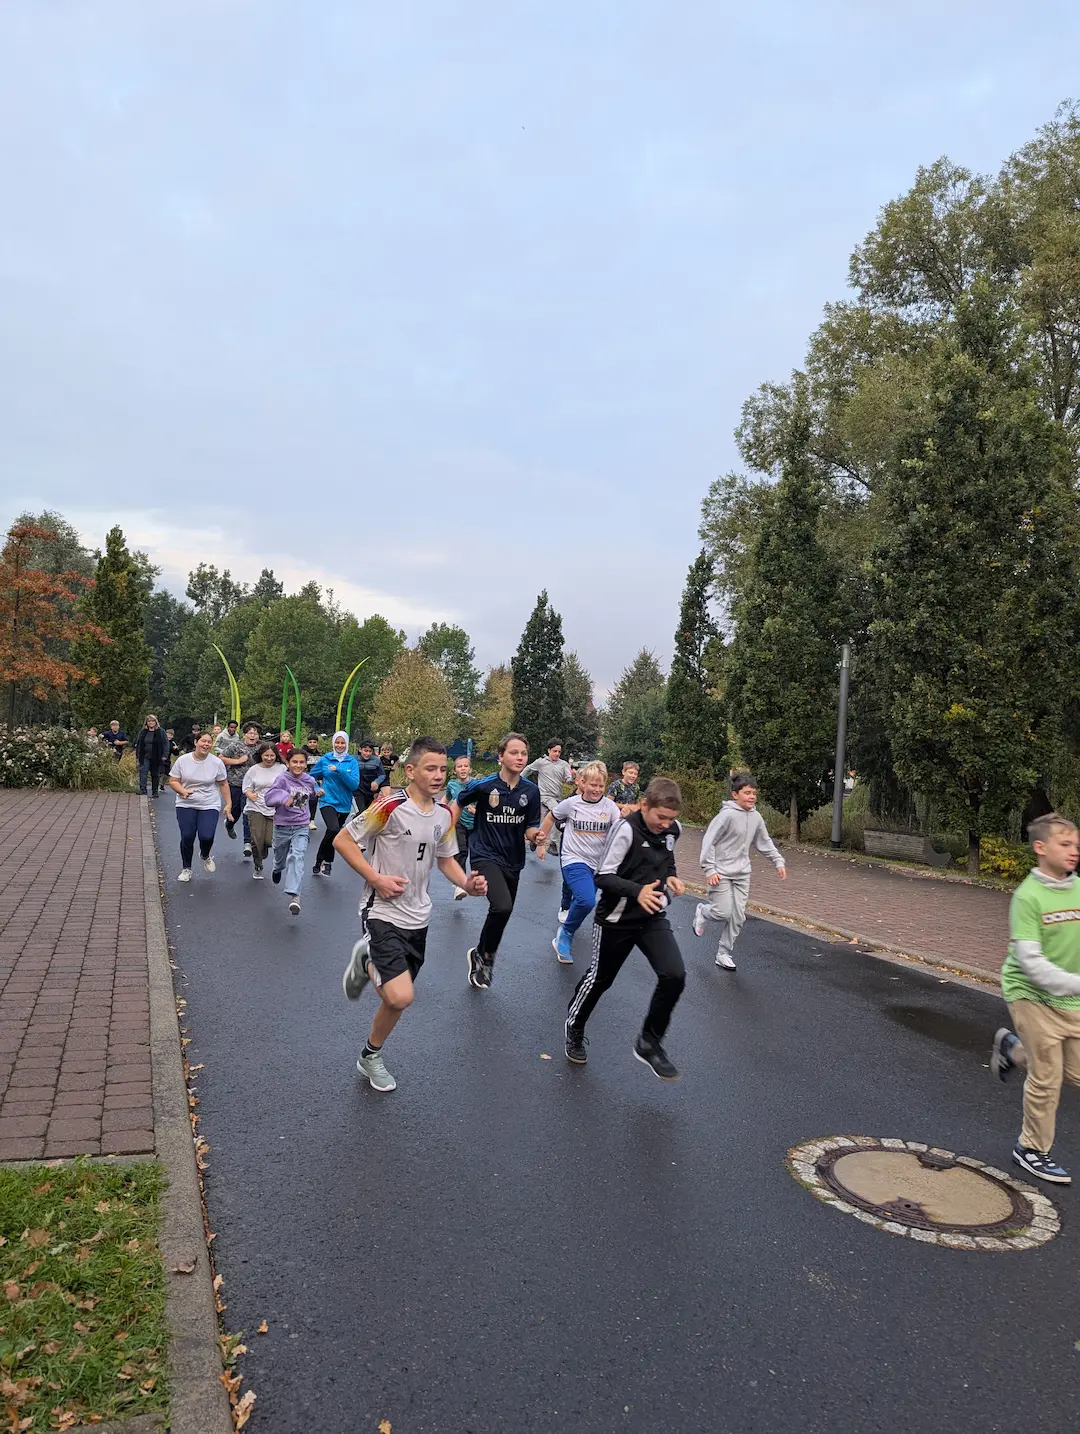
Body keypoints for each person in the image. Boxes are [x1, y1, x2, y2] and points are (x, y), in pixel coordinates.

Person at [336, 737, 488, 1092]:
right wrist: (376, 878)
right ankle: (367, 960)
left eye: (442, 770)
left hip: (419, 917)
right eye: (430, 769)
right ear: (410, 770)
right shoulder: (389, 805)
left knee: (395, 1001)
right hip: (381, 910)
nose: (438, 776)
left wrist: (467, 883)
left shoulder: (443, 814)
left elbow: (445, 859)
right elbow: (342, 841)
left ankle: (370, 1054)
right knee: (401, 995)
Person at [564, 777, 687, 1079]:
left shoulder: (673, 829)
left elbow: (667, 857)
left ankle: (649, 1042)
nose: (665, 824)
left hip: (651, 916)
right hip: (616, 919)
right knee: (600, 980)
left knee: (674, 974)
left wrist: (671, 876)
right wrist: (637, 891)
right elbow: (603, 877)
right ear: (644, 805)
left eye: (671, 819)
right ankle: (575, 1026)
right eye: (660, 817)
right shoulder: (626, 829)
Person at [990, 813, 1080, 1185]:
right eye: (1065, 844)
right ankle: (1030, 1148)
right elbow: (1031, 962)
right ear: (1040, 848)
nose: (1074, 851)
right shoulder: (1028, 897)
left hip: (1071, 999)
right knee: (1047, 1076)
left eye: (1076, 845)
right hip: (1031, 995)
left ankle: (1013, 1049)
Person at [449, 732, 544, 990]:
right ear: (501, 756)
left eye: (523, 753)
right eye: (514, 753)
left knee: (505, 910)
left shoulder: (531, 791)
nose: (520, 758)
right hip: (484, 854)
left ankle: (480, 953)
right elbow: (458, 802)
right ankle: (486, 960)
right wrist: (447, 832)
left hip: (513, 859)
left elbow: (530, 827)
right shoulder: (484, 786)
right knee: (501, 906)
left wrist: (536, 835)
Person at [692, 772, 787, 970]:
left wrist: (778, 860)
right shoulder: (725, 816)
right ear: (735, 795)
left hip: (742, 873)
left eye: (754, 793)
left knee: (738, 916)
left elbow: (764, 841)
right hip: (720, 872)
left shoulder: (756, 817)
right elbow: (709, 841)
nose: (752, 797)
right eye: (747, 793)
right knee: (722, 912)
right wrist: (709, 869)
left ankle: (723, 953)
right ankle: (703, 911)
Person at [537, 760, 621, 963]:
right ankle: (565, 934)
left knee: (585, 900)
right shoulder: (572, 804)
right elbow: (551, 817)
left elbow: (620, 833)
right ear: (583, 783)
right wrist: (542, 842)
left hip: (598, 864)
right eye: (593, 785)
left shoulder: (610, 807)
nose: (597, 790)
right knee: (586, 900)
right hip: (573, 859)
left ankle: (568, 921)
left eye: (601, 786)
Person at [167, 733, 231, 882]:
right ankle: (186, 869)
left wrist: (228, 804)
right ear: (196, 742)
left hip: (209, 803)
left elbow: (223, 783)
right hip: (186, 803)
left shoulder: (216, 762)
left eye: (209, 742)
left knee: (206, 836)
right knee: (187, 836)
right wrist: (183, 791)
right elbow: (174, 780)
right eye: (203, 741)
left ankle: (205, 855)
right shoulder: (183, 760)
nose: (206, 744)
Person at [264, 748, 317, 916]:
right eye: (294, 762)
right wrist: (284, 798)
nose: (298, 765)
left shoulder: (309, 780)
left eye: (302, 762)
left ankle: (295, 896)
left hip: (301, 825)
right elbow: (268, 798)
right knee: (281, 859)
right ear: (288, 763)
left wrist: (318, 792)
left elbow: (312, 795)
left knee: (297, 856)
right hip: (282, 826)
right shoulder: (282, 779)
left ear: (306, 764)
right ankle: (277, 868)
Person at [310, 731, 360, 877]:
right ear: (333, 743)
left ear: (347, 744)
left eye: (342, 743)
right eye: (337, 742)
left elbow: (354, 785)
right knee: (333, 829)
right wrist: (317, 788)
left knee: (333, 833)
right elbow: (310, 776)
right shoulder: (326, 759)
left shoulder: (352, 762)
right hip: (327, 800)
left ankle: (321, 862)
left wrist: (340, 771)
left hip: (344, 803)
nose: (339, 745)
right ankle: (325, 861)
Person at [523, 739, 574, 855]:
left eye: (559, 752)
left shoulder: (563, 764)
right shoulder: (541, 762)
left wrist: (573, 778)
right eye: (554, 751)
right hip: (544, 796)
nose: (557, 754)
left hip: (557, 797)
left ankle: (535, 837)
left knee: (547, 822)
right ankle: (553, 843)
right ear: (549, 750)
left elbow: (569, 780)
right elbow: (528, 769)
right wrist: (519, 780)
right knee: (559, 815)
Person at [241, 742, 284, 879]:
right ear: (261, 755)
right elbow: (246, 787)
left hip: (274, 808)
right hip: (256, 806)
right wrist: (250, 795)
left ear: (276, 756)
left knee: (269, 841)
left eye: (272, 756)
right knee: (256, 839)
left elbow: (288, 785)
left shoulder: (282, 768)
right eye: (266, 755)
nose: (269, 758)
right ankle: (258, 865)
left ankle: (262, 850)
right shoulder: (253, 770)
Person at [217, 723, 259, 849]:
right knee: (235, 811)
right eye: (250, 733)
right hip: (235, 782)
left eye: (255, 733)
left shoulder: (261, 747)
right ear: (244, 734)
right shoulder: (235, 745)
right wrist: (237, 761)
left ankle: (247, 842)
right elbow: (221, 758)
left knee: (247, 812)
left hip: (252, 786)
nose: (252, 736)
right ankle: (229, 825)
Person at [445, 754, 477, 901]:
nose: (463, 769)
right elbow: (446, 799)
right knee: (461, 851)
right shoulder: (452, 785)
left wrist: (476, 811)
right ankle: (460, 885)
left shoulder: (477, 785)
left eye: (465, 766)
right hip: (459, 822)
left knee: (476, 854)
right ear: (455, 770)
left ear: (470, 769)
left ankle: (477, 880)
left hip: (476, 823)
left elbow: (487, 804)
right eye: (459, 766)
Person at [134, 715, 168, 797]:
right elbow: (139, 744)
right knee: (143, 771)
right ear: (146, 722)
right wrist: (137, 755)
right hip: (144, 755)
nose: (151, 723)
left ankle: (155, 791)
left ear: (156, 722)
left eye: (153, 721)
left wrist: (165, 755)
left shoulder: (161, 731)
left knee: (155, 773)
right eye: (149, 721)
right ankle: (143, 789)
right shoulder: (143, 732)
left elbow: (165, 743)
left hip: (156, 755)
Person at [356, 739, 388, 813]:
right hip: (358, 789)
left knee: (367, 812)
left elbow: (382, 774)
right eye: (365, 751)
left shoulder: (376, 760)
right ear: (360, 750)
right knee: (361, 811)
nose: (367, 754)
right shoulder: (353, 759)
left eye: (370, 751)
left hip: (370, 789)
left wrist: (377, 782)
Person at [302, 735, 323, 829]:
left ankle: (311, 820)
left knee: (314, 800)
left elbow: (321, 768)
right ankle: (301, 819)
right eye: (310, 742)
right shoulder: (303, 753)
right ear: (307, 743)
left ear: (317, 743)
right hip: (303, 779)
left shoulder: (320, 755)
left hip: (315, 781)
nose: (312, 744)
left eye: (314, 742)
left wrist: (320, 778)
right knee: (302, 799)